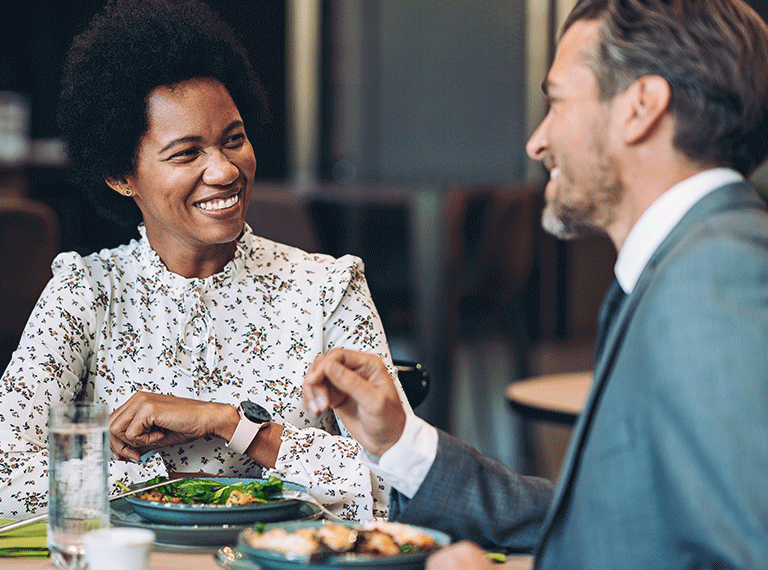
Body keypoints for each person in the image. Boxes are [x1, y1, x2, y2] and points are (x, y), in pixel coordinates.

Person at [303, 0, 768, 567]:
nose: (537, 141)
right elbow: (603, 521)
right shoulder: (692, 265)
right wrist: (404, 444)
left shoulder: (715, 277)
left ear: (641, 107)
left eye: (556, 102)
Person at [0, 0, 408, 522]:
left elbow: (396, 482)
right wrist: (161, 481)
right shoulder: (85, 292)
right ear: (121, 175)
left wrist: (226, 424)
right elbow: (7, 475)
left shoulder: (327, 288)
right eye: (186, 153)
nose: (223, 171)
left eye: (233, 140)